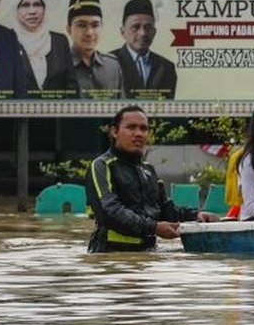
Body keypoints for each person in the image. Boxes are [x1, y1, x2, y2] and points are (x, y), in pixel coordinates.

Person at [84, 105, 218, 252]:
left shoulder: (148, 170)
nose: (139, 134)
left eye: (143, 129)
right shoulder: (101, 166)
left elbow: (164, 209)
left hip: (148, 255)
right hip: (110, 257)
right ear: (114, 132)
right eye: (131, 128)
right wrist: (154, 228)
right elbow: (109, 212)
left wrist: (196, 216)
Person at [111, 0, 178, 99]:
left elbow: (167, 110)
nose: (143, 33)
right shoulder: (107, 63)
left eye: (148, 27)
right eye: (135, 27)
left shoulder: (166, 67)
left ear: (154, 32)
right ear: (122, 31)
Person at [14, 0, 74, 96]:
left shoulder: (59, 41)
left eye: (37, 4)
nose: (32, 11)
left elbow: (71, 85)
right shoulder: (5, 41)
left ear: (45, 9)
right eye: (25, 5)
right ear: (16, 10)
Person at [66, 0, 125, 99]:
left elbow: (122, 110)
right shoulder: (57, 67)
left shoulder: (113, 66)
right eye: (81, 25)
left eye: (95, 25)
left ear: (102, 27)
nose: (89, 32)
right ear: (69, 29)